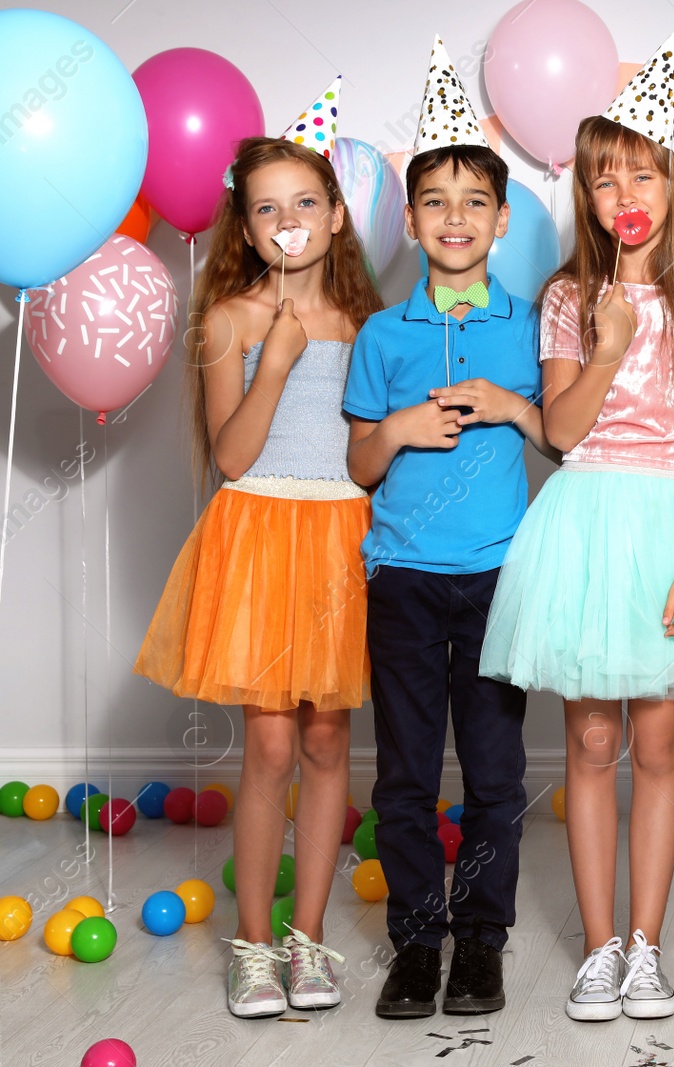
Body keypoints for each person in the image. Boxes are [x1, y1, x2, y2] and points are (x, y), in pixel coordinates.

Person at [477, 23, 674, 1023]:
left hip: (672, 526)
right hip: (589, 522)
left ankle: (647, 945)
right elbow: (556, 430)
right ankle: (597, 947)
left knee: (658, 747)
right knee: (588, 745)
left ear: (673, 186)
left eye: (644, 176)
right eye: (606, 181)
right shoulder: (567, 297)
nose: (627, 197)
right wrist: (603, 346)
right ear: (588, 198)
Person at [134, 85, 384, 1018]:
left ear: (337, 215)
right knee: (270, 743)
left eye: (304, 202)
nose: (288, 220)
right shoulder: (231, 319)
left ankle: (307, 938)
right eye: (267, 206)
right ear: (244, 224)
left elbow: (367, 454)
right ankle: (251, 943)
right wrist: (273, 363)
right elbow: (230, 457)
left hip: (339, 536)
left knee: (328, 739)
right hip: (259, 531)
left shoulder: (368, 328)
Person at [343, 38, 549, 1020]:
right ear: (413, 223)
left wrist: (513, 409)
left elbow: (566, 437)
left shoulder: (531, 325)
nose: (455, 217)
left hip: (500, 577)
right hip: (405, 581)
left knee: (497, 772)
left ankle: (481, 942)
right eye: (436, 202)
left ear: (501, 221)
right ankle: (415, 941)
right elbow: (359, 463)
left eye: (475, 202)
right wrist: (397, 428)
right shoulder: (383, 335)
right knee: (406, 773)